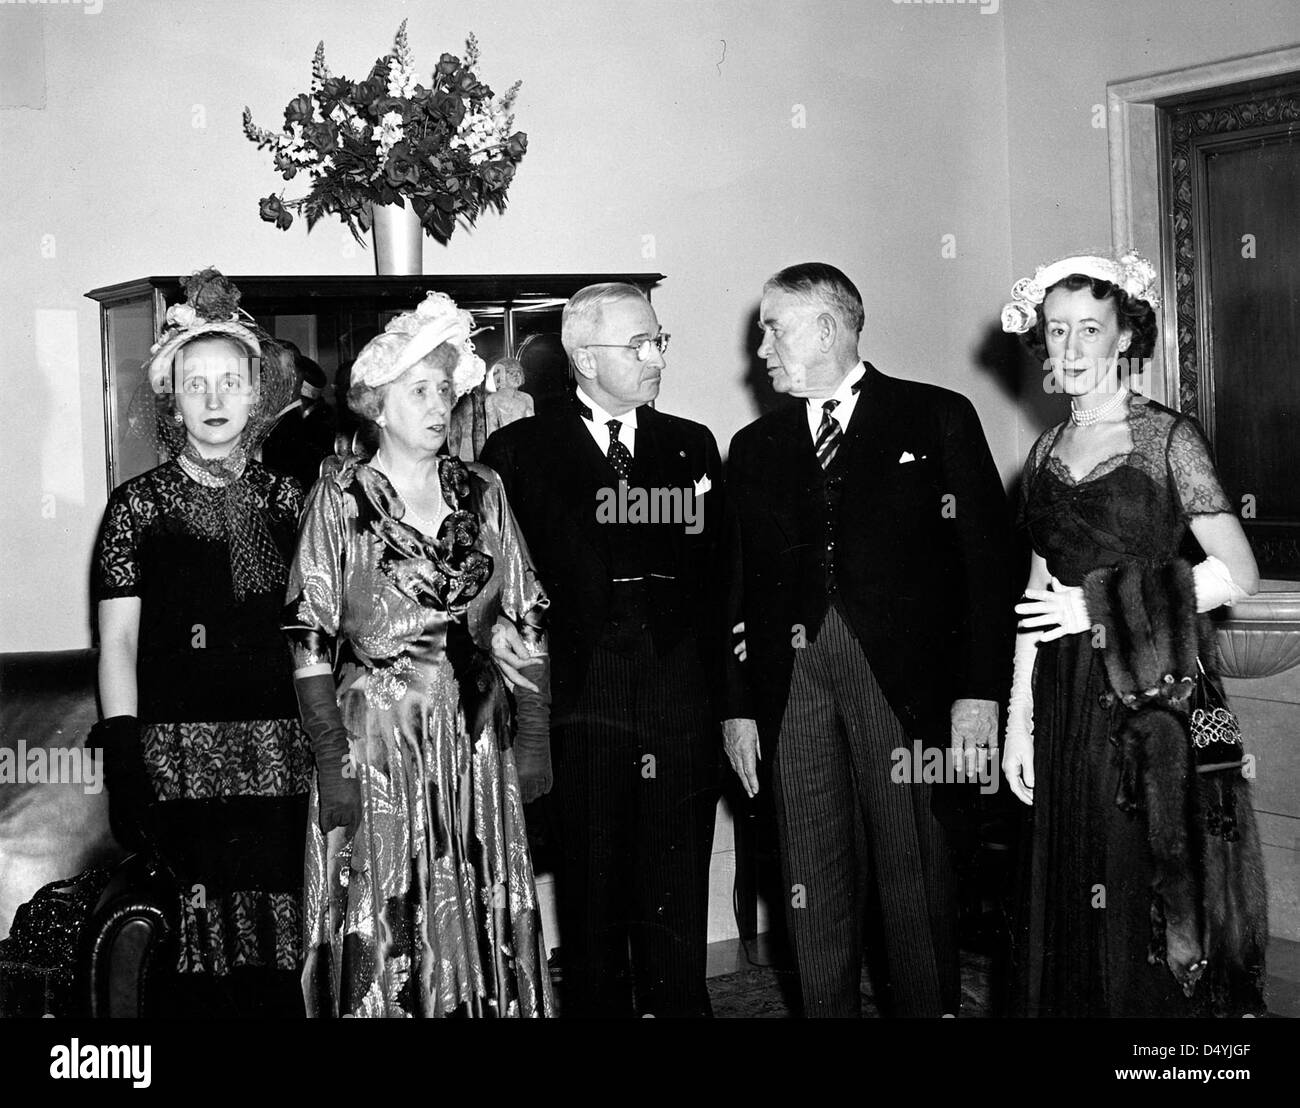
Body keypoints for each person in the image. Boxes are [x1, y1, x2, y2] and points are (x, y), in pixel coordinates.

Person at [721, 262, 1012, 1018]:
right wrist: (737, 708)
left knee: (913, 875)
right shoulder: (752, 446)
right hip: (792, 689)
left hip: (905, 689)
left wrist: (980, 695)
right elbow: (734, 591)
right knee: (810, 879)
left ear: (826, 326)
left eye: (774, 327)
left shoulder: (936, 416)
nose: (762, 348)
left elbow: (989, 568)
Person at [999, 252, 1267, 1017]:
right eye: (1058, 332)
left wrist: (1101, 607)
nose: (1073, 350)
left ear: (1124, 339)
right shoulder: (1044, 453)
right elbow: (1035, 594)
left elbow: (1237, 572)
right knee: (1067, 884)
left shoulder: (1168, 439)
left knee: (1144, 890)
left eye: (1091, 329)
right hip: (1063, 698)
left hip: (1152, 696)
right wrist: (1018, 721)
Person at [282, 290, 555, 1018]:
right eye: (418, 391)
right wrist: (330, 755)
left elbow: (526, 613)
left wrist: (533, 737)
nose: (438, 405)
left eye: (444, 389)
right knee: (385, 915)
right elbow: (309, 631)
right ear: (376, 402)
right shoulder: (339, 498)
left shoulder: (484, 490)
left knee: (476, 908)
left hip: (473, 740)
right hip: (374, 744)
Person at [480, 282, 723, 1018]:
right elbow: (494, 574)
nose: (656, 357)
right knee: (591, 892)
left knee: (677, 886)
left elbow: (717, 568)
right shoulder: (518, 449)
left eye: (660, 342)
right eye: (638, 345)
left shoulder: (691, 444)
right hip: (582, 698)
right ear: (584, 357)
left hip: (679, 694)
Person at [91, 268, 310, 1017]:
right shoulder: (136, 508)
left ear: (258, 395)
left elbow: (329, 630)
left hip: (285, 756)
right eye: (195, 384)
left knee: (281, 964)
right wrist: (124, 754)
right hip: (178, 759)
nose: (215, 400)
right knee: (197, 967)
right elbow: (117, 644)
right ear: (171, 400)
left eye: (230, 382)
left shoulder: (294, 502)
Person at [261, 342, 337, 492]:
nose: (261, 380)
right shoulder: (276, 424)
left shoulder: (290, 431)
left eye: (269, 371)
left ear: (295, 377)